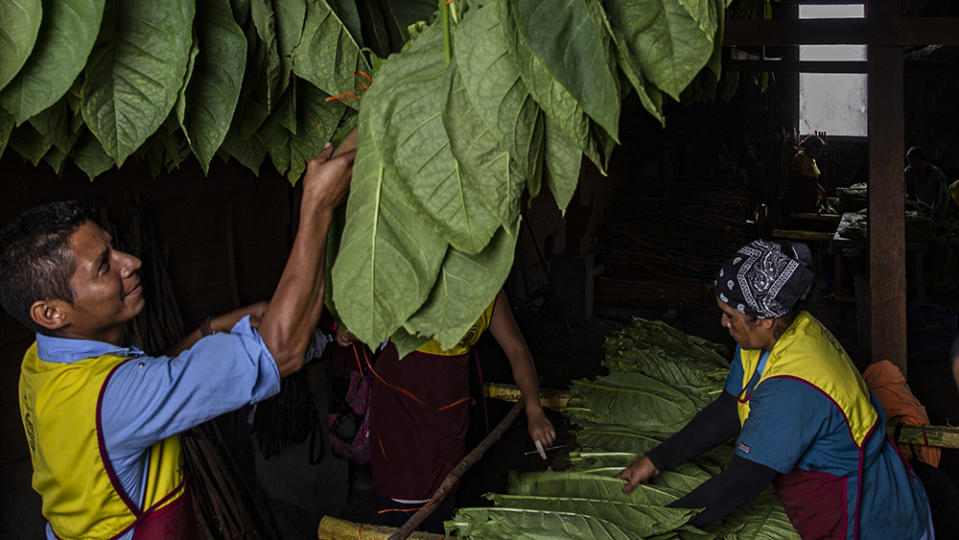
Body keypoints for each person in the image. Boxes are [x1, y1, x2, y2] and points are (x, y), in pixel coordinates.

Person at [0, 140, 356, 539]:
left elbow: (134, 385)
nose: (130, 263)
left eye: (114, 249)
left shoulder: (42, 361)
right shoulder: (119, 397)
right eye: (104, 267)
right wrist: (318, 206)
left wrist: (211, 328)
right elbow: (283, 351)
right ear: (51, 312)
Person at [616, 239, 933, 539]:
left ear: (765, 320)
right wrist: (659, 458)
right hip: (840, 489)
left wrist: (657, 522)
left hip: (867, 515)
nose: (723, 324)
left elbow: (740, 484)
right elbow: (730, 408)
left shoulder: (791, 389)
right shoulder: (772, 335)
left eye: (730, 316)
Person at [336, 290, 555, 533]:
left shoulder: (488, 285)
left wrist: (534, 410)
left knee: (443, 495)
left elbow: (517, 350)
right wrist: (352, 326)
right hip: (401, 401)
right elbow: (370, 306)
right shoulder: (418, 272)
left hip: (450, 407)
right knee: (403, 503)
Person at [783, 135, 827, 216]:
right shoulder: (800, 158)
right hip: (801, 199)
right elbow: (794, 180)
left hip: (810, 199)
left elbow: (814, 179)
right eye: (818, 150)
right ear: (812, 148)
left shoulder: (812, 160)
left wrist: (820, 190)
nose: (820, 153)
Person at [905, 146, 950, 224]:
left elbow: (937, 197)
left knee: (938, 223)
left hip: (940, 202)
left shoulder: (935, 173)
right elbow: (911, 194)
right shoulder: (908, 172)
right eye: (910, 162)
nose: (913, 165)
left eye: (916, 162)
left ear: (924, 161)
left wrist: (931, 212)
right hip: (923, 201)